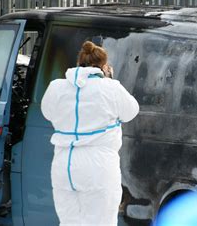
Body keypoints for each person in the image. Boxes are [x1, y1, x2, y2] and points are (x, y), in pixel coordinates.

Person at [41, 41, 139, 225]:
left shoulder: (56, 87)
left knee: (69, 222)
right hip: (98, 166)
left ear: (79, 63)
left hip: (64, 165)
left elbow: (47, 112)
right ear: (104, 66)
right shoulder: (111, 88)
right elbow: (131, 111)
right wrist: (108, 80)